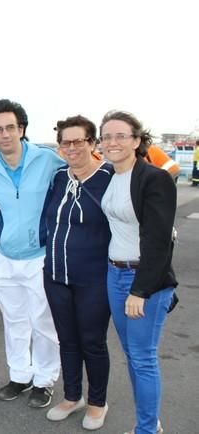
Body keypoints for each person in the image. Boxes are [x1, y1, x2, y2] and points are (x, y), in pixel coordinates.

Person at [0, 99, 64, 408]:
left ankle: (44, 380)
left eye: (10, 127)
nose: (5, 134)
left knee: (43, 321)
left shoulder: (48, 159)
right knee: (13, 321)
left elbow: (82, 176)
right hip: (3, 256)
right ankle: (20, 376)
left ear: (21, 129)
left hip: (39, 255)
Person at [99, 110, 177, 434]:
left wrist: (140, 291)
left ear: (136, 140)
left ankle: (146, 429)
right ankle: (149, 420)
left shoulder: (153, 178)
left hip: (143, 281)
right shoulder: (110, 175)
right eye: (106, 136)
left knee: (143, 358)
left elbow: (158, 242)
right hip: (114, 275)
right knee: (132, 355)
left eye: (120, 135)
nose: (112, 142)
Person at [43, 116, 113, 430]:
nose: (71, 148)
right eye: (65, 142)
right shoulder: (59, 178)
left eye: (78, 141)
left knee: (92, 342)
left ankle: (98, 402)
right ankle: (73, 396)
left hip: (94, 278)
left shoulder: (110, 177)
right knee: (67, 340)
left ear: (92, 143)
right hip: (56, 274)